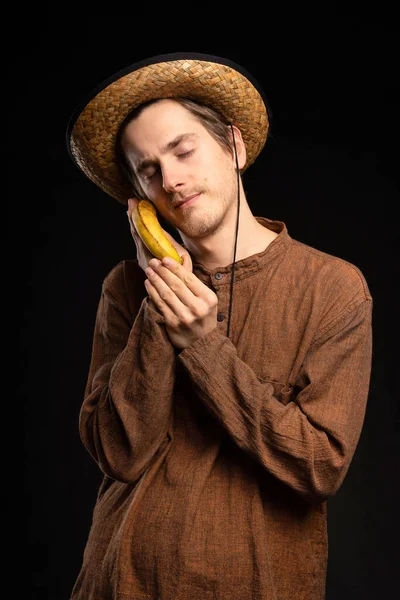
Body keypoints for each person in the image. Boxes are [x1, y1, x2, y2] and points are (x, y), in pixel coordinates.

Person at [66, 53, 373, 600]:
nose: (173, 179)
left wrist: (203, 346)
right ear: (140, 199)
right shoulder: (125, 287)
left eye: (183, 151)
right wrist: (160, 305)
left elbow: (319, 467)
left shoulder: (333, 287)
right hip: (114, 581)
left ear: (233, 145)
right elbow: (118, 453)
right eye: (149, 170)